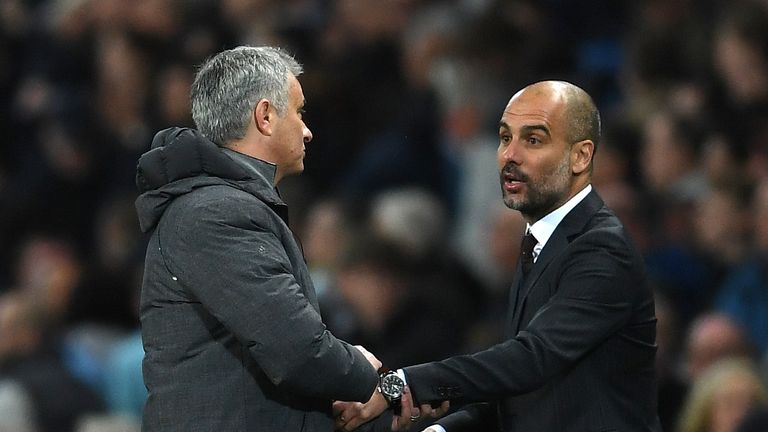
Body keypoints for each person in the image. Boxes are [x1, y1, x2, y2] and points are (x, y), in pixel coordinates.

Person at [335, 80, 661, 431]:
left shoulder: (601, 249)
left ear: (580, 156)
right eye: (506, 137)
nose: (510, 155)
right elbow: (524, 392)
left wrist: (403, 383)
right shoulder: (540, 241)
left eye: (533, 140)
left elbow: (531, 360)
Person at [134, 46, 416, 431]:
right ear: (265, 116)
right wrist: (359, 369)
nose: (307, 129)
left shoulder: (221, 205)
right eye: (299, 112)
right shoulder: (216, 212)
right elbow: (297, 348)